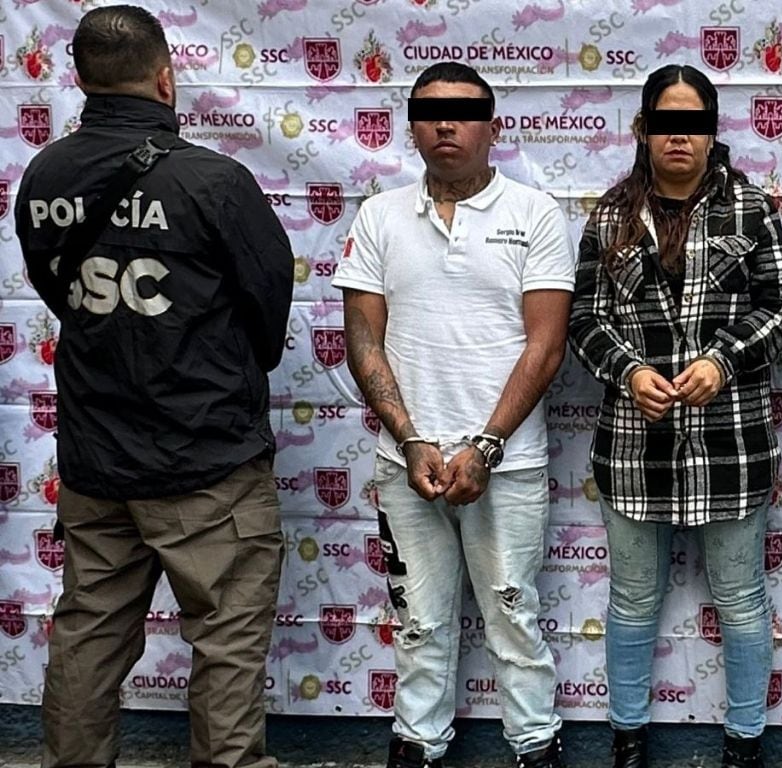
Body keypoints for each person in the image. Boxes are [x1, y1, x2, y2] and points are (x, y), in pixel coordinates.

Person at [14, 6, 293, 768]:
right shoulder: (213, 181)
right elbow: (269, 307)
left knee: (88, 633)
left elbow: (58, 293)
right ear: (166, 79)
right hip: (207, 461)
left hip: (97, 461)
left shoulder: (44, 177)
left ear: (79, 80)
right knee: (227, 639)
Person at [333, 62, 574, 768]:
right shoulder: (379, 217)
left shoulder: (535, 213)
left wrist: (488, 445)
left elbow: (546, 345)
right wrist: (410, 440)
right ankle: (418, 745)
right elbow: (363, 341)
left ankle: (536, 746)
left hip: (509, 464)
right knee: (418, 623)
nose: (447, 124)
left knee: (514, 615)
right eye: (430, 112)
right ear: (411, 127)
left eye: (465, 112)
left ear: (493, 128)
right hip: (407, 463)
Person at [567, 64, 782, 768]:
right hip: (632, 448)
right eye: (666, 123)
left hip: (731, 445)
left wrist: (724, 361)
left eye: (693, 124)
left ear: (711, 131)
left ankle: (745, 742)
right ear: (644, 130)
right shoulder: (610, 215)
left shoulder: (751, 209)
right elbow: (582, 319)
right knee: (633, 600)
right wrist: (628, 372)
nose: (680, 137)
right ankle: (628, 738)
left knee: (741, 599)